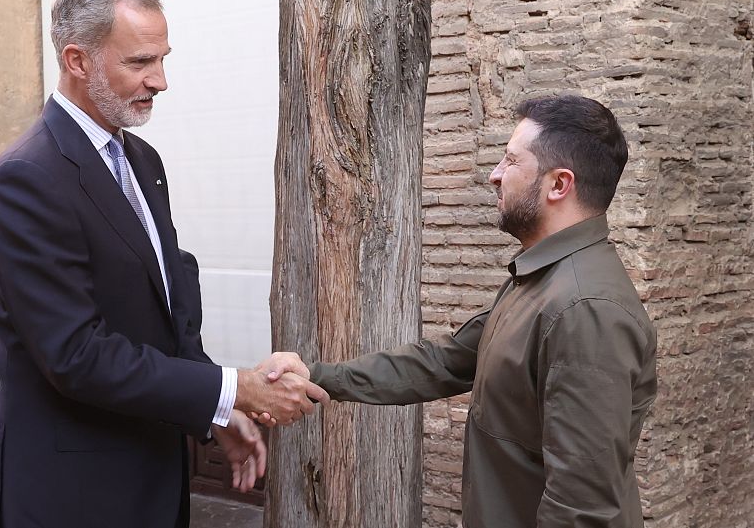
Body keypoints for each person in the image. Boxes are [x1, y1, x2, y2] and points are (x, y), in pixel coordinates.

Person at [0, 0, 327, 528]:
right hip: (73, 492)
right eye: (139, 63)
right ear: (77, 61)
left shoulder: (141, 162)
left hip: (152, 471)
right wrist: (232, 388)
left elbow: (165, 310)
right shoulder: (27, 179)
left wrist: (215, 411)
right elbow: (76, 355)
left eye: (162, 59)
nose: (160, 80)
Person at [264, 95, 658, 528]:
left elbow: (582, 509)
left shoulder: (585, 310)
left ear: (558, 184)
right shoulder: (544, 280)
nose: (495, 176)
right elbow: (444, 362)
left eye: (511, 161)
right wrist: (318, 377)